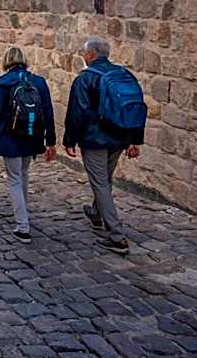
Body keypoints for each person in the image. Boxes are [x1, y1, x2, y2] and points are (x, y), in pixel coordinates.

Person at [64, 36, 145, 256]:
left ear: (90, 55)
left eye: (84, 52)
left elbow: (77, 113)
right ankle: (96, 214)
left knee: (100, 183)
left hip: (95, 140)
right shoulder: (124, 75)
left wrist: (69, 140)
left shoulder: (85, 79)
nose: (83, 56)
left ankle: (117, 236)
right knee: (104, 180)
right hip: (119, 138)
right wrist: (134, 140)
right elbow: (136, 107)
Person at [0, 46, 56, 243]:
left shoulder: (4, 82)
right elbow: (48, 112)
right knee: (23, 174)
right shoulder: (39, 82)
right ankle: (23, 213)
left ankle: (23, 226)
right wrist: (51, 141)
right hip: (32, 136)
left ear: (7, 61)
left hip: (10, 137)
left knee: (14, 178)